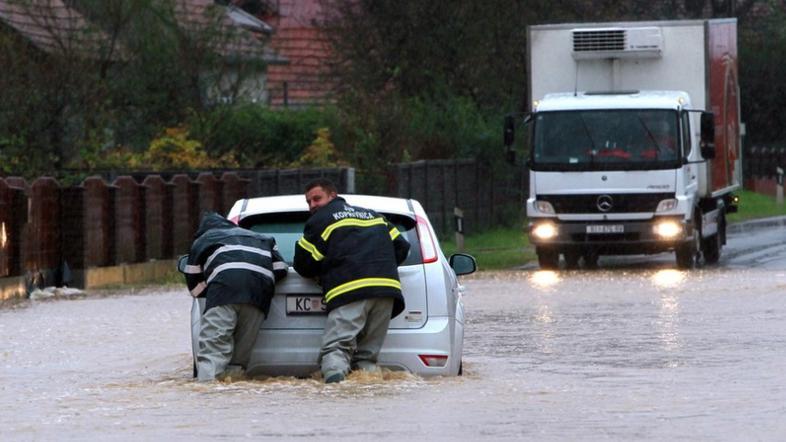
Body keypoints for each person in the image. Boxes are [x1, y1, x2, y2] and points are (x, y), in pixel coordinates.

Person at [293, 179, 410, 383]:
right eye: (309, 202)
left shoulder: (321, 219)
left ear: (332, 195)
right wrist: (380, 267)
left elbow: (303, 264)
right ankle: (368, 389)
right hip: (386, 292)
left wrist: (324, 272)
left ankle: (335, 392)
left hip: (349, 291)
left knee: (336, 349)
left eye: (317, 199)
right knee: (367, 356)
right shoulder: (374, 215)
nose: (312, 205)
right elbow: (402, 247)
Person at [184, 212, 288, 382]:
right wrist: (257, 283)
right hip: (258, 297)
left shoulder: (204, 239)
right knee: (238, 360)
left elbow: (193, 284)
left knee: (212, 352)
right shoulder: (264, 239)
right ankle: (235, 385)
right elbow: (281, 269)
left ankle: (207, 392)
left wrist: (212, 293)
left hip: (223, 293)